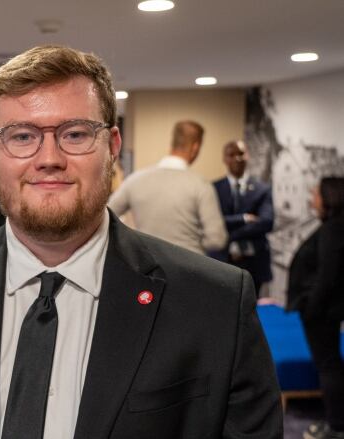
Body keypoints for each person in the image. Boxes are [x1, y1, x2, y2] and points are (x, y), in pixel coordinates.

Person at [0, 45, 282, 438]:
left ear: (112, 146)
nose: (50, 159)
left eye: (75, 134)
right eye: (21, 136)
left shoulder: (215, 302)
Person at [108, 120, 228, 254]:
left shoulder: (135, 179)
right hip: (189, 266)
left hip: (148, 265)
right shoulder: (201, 185)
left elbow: (106, 216)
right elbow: (217, 239)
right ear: (195, 147)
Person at [287, 177, 344, 439]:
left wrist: (311, 308)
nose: (312, 198)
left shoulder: (333, 229)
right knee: (330, 364)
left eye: (316, 193)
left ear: (329, 197)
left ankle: (336, 426)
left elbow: (327, 276)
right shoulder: (333, 227)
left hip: (322, 312)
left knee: (328, 365)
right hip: (325, 309)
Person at [209, 140, 274, 296]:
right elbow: (214, 221)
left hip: (253, 263)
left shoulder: (262, 189)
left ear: (248, 156)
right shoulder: (213, 188)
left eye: (241, 154)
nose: (237, 158)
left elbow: (266, 222)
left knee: (250, 310)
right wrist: (243, 219)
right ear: (224, 159)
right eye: (232, 155)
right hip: (221, 260)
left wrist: (230, 235)